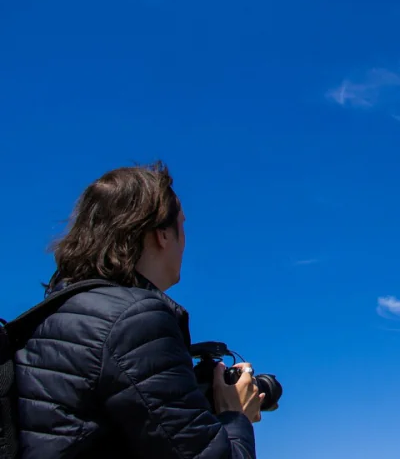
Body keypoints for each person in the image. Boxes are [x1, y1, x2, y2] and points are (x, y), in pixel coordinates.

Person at [14, 162, 263, 458]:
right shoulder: (135, 320)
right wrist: (236, 414)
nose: (185, 240)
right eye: (182, 224)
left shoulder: (44, 322)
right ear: (162, 234)